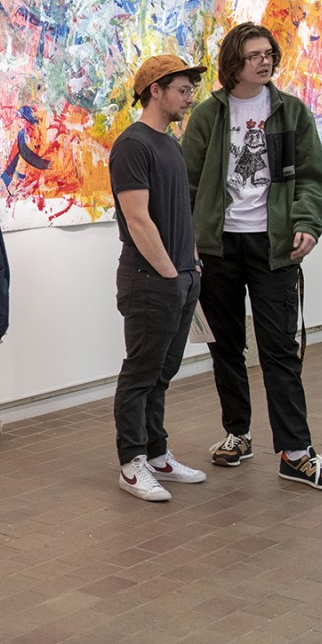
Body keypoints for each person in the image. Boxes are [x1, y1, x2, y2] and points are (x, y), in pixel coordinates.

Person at [182, 23, 322, 491]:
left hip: (273, 247)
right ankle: (237, 433)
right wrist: (191, 238)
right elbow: (188, 186)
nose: (264, 60)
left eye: (269, 52)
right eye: (254, 54)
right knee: (225, 347)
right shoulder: (208, 117)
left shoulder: (290, 112)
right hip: (219, 247)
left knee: (279, 350)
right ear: (234, 61)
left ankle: (295, 452)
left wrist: (307, 224)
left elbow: (314, 179)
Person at [108, 55, 211, 501]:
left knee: (162, 373)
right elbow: (138, 219)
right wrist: (169, 273)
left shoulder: (168, 143)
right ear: (156, 90)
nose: (189, 99)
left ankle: (156, 453)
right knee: (140, 372)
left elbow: (177, 213)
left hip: (181, 276)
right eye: (183, 90)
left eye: (190, 91)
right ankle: (132, 464)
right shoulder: (134, 145)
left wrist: (190, 265)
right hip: (151, 279)